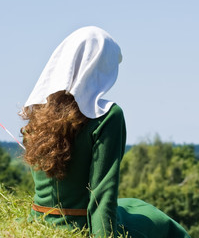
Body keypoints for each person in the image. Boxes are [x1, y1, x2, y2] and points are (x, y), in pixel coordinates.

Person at [21, 26, 190, 238]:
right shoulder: (107, 116)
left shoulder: (39, 112)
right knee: (162, 224)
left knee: (134, 204)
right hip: (80, 224)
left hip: (39, 219)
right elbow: (102, 193)